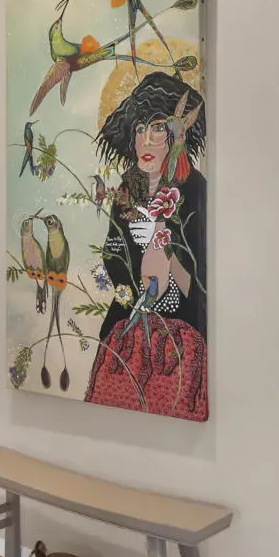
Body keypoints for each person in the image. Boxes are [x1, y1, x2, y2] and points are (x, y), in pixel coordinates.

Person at [84, 72, 208, 420]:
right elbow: (112, 257)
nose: (146, 140)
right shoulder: (127, 189)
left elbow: (201, 285)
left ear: (176, 136)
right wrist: (134, 281)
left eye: (157, 128)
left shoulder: (196, 190)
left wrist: (165, 250)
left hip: (180, 337)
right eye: (140, 128)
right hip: (128, 329)